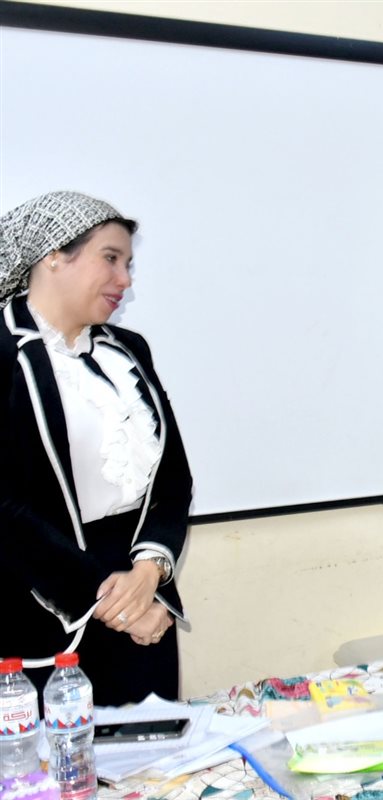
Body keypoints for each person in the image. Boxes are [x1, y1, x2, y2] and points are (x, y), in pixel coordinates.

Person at [0, 191, 192, 705]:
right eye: (110, 258)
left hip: (141, 600)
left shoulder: (128, 351)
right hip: (40, 609)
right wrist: (108, 597)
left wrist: (150, 573)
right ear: (53, 255)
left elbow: (173, 479)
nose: (124, 279)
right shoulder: (4, 351)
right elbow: (5, 510)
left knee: (154, 752)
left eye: (128, 264)